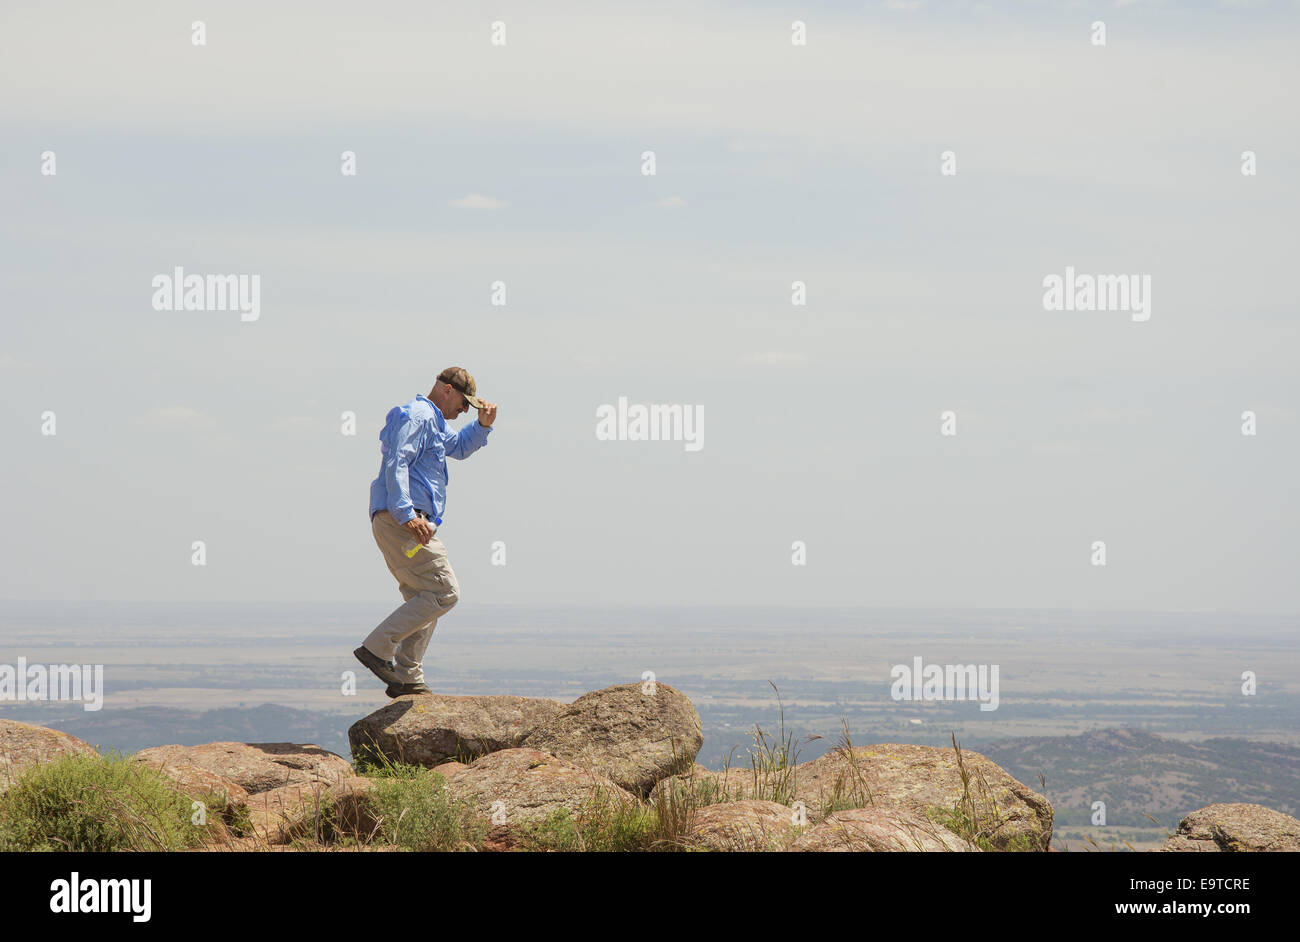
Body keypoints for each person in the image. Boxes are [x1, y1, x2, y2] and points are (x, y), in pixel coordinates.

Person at [354, 367, 497, 697]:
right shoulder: (418, 415)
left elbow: (459, 447)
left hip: (408, 522)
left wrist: (483, 426)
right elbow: (396, 463)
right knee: (445, 591)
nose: (464, 411)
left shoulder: (434, 422)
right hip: (403, 521)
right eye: (464, 404)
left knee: (425, 596)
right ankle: (377, 649)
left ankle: (407, 677)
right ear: (447, 390)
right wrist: (406, 515)